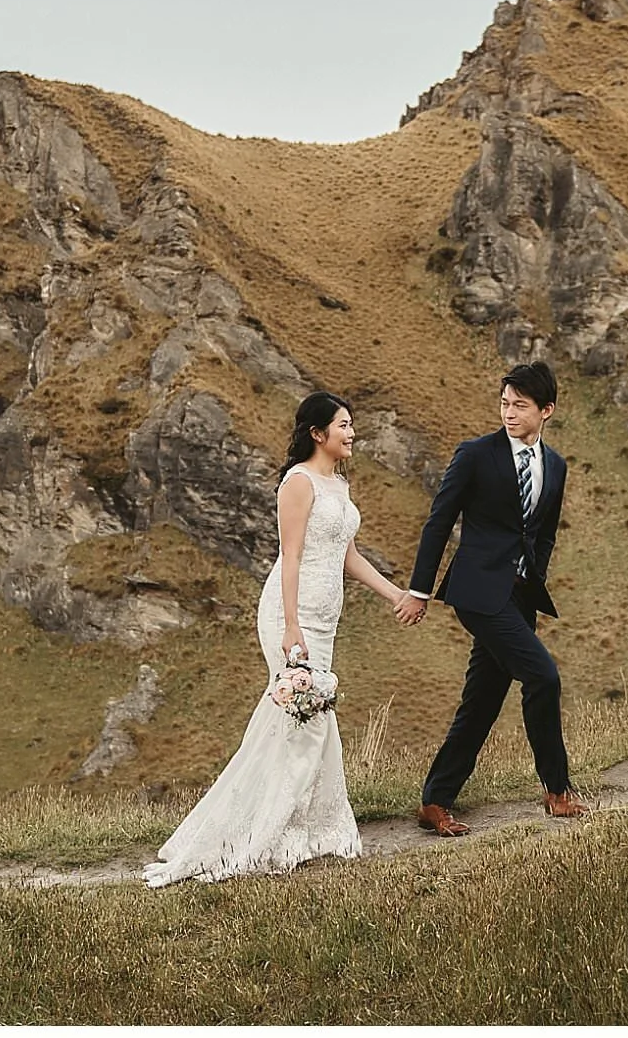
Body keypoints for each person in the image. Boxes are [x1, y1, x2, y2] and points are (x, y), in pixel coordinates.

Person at [143, 390, 421, 887]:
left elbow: (348, 556)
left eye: (351, 424)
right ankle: (266, 837)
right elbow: (290, 557)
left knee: (307, 720)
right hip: (290, 613)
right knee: (303, 717)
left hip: (326, 616)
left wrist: (393, 593)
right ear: (318, 433)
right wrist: (291, 625)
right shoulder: (298, 483)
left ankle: (307, 834)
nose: (352, 433)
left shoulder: (338, 484)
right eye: (343, 425)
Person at [404, 361, 587, 836]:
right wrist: (419, 590)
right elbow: (438, 522)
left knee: (482, 701)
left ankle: (435, 801)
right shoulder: (475, 455)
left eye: (520, 406)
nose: (509, 413)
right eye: (505, 403)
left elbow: (543, 532)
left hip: (520, 597)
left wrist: (534, 575)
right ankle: (557, 790)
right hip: (477, 592)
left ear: (546, 410)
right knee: (543, 677)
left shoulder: (557, 465)